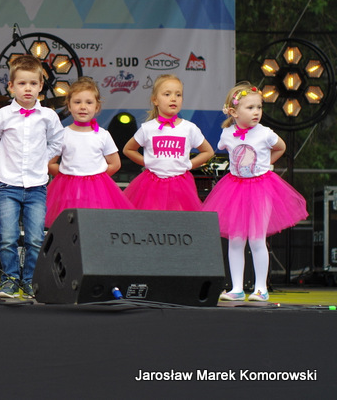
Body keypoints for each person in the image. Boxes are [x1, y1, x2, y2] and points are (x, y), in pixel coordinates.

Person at [202, 82, 307, 302]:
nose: (256, 112)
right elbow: (222, 148)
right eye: (250, 108)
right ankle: (236, 288)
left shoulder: (265, 133)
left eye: (259, 107)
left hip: (261, 187)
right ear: (234, 112)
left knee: (257, 239)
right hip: (235, 189)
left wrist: (266, 164)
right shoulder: (227, 134)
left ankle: (260, 288)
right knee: (236, 240)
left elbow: (281, 147)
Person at [0, 55, 64, 299]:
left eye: (33, 83)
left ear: (41, 86)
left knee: (35, 238)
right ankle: (9, 280)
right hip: (8, 186)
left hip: (36, 186)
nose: (27, 88)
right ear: (11, 86)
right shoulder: (2, 115)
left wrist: (42, 159)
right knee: (7, 237)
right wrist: (5, 156)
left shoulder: (48, 116)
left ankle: (30, 281)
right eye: (21, 83)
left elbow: (57, 142)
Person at [46, 76, 133, 227]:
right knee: (69, 225)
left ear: (97, 107)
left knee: (95, 225)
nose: (83, 107)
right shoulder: (63, 134)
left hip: (97, 192)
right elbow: (50, 163)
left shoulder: (103, 135)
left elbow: (115, 163)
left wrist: (97, 178)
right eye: (77, 102)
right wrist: (65, 176)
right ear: (69, 106)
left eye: (89, 102)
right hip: (69, 191)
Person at [122, 74, 214, 210]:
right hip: (152, 184)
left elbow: (208, 151)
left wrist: (189, 164)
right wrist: (147, 162)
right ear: (155, 100)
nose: (173, 98)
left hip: (180, 185)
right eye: (167, 94)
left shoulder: (189, 128)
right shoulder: (148, 128)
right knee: (152, 216)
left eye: (178, 94)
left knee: (178, 217)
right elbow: (128, 149)